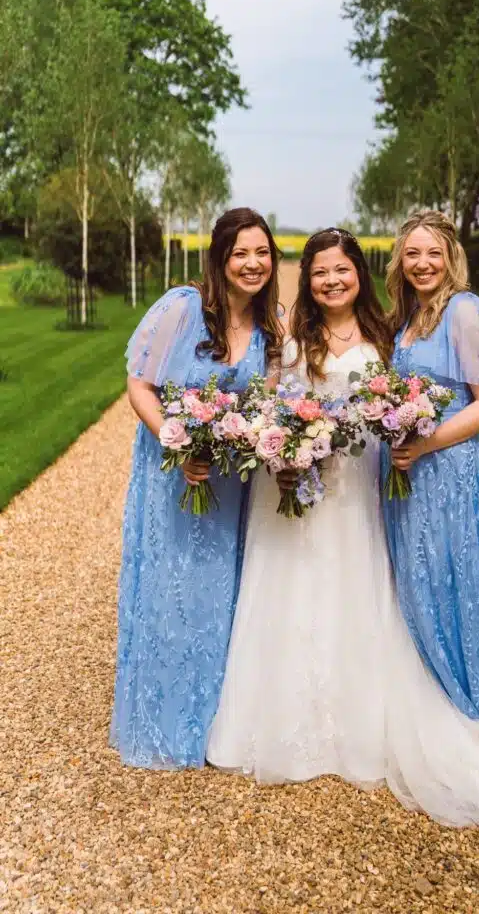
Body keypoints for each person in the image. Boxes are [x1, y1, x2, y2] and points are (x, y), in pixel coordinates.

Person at [206, 228, 479, 852]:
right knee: (287, 586)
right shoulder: (288, 332)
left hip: (359, 494)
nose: (332, 281)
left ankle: (359, 724)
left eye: (342, 270)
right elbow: (271, 400)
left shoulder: (385, 333)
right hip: (292, 486)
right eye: (320, 272)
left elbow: (408, 403)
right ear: (306, 279)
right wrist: (281, 450)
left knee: (358, 590)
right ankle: (281, 721)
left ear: (361, 274)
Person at [110, 207, 281, 769]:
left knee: (217, 594)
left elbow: (268, 405)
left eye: (262, 253)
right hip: (173, 474)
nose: (252, 264)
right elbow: (140, 385)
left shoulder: (269, 326)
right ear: (220, 258)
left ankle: (215, 724)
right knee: (172, 589)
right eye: (240, 253)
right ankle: (163, 721)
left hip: (229, 483)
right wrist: (177, 441)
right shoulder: (181, 308)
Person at [383, 209, 479, 722]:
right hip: (404, 472)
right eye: (413, 254)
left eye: (433, 253)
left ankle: (465, 705)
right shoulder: (407, 317)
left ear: (451, 257)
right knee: (413, 580)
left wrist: (425, 444)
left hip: (445, 472)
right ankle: (422, 704)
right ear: (400, 260)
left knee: (447, 576)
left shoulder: (465, 311)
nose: (422, 264)